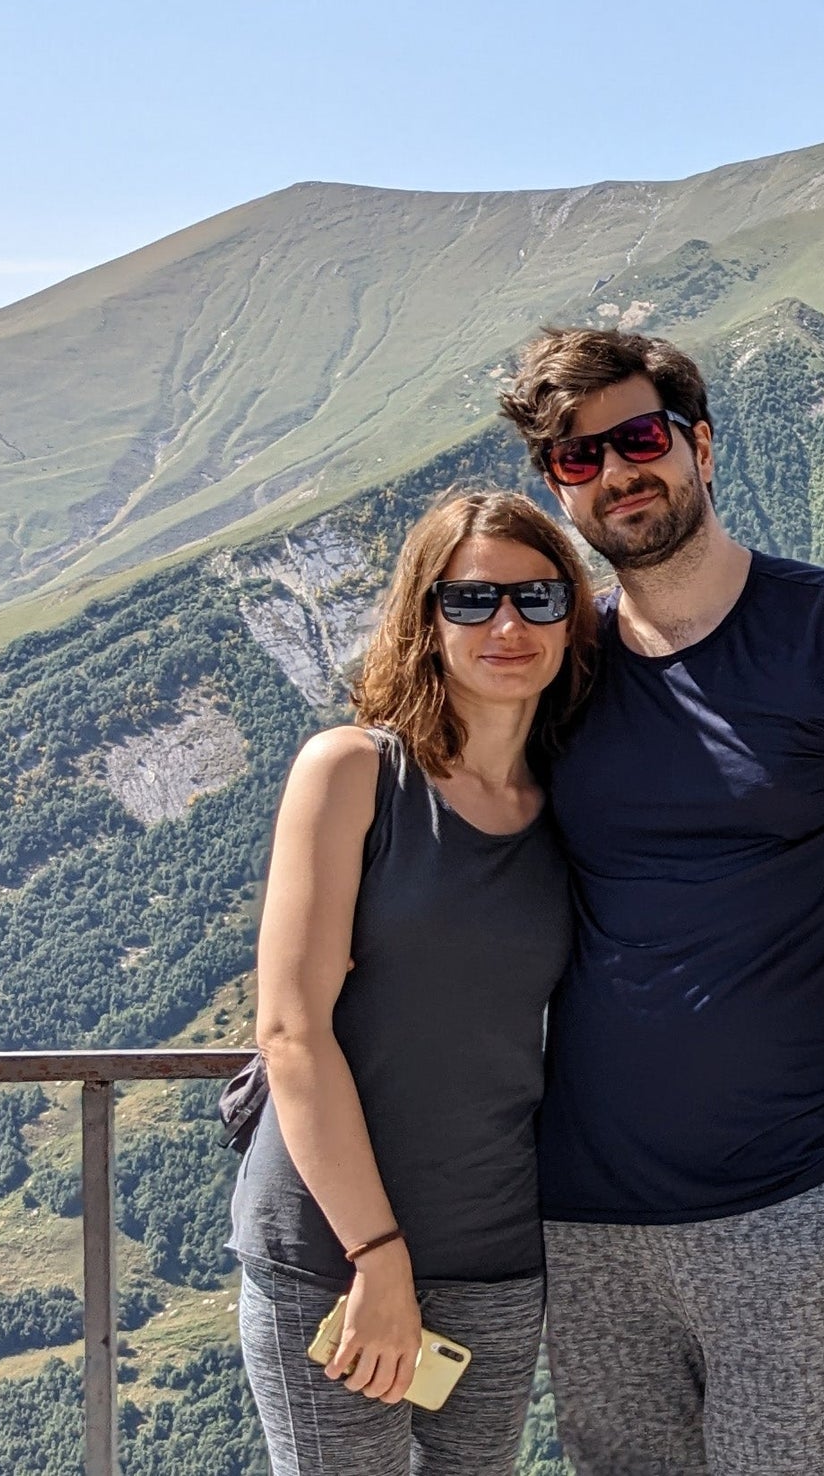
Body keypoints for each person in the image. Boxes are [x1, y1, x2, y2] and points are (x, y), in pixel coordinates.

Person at [498, 329, 824, 1476]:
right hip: (586, 1221)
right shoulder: (565, 670)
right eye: (578, 459)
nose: (617, 473)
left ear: (701, 445)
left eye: (641, 438)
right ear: (558, 487)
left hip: (790, 1208)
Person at [226, 489, 595, 1476]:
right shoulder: (352, 774)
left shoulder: (578, 806)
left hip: (498, 1256)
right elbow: (291, 1030)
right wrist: (376, 1255)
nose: (507, 625)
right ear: (425, 621)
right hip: (331, 1257)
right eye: (471, 601)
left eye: (536, 597)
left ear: (572, 614)